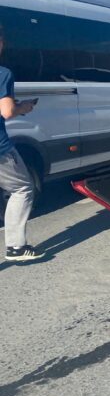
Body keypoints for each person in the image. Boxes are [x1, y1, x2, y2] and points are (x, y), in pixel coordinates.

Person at [0, 24, 44, 261]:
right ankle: (16, 247)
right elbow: (6, 111)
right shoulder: (3, 73)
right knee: (22, 188)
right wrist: (23, 107)